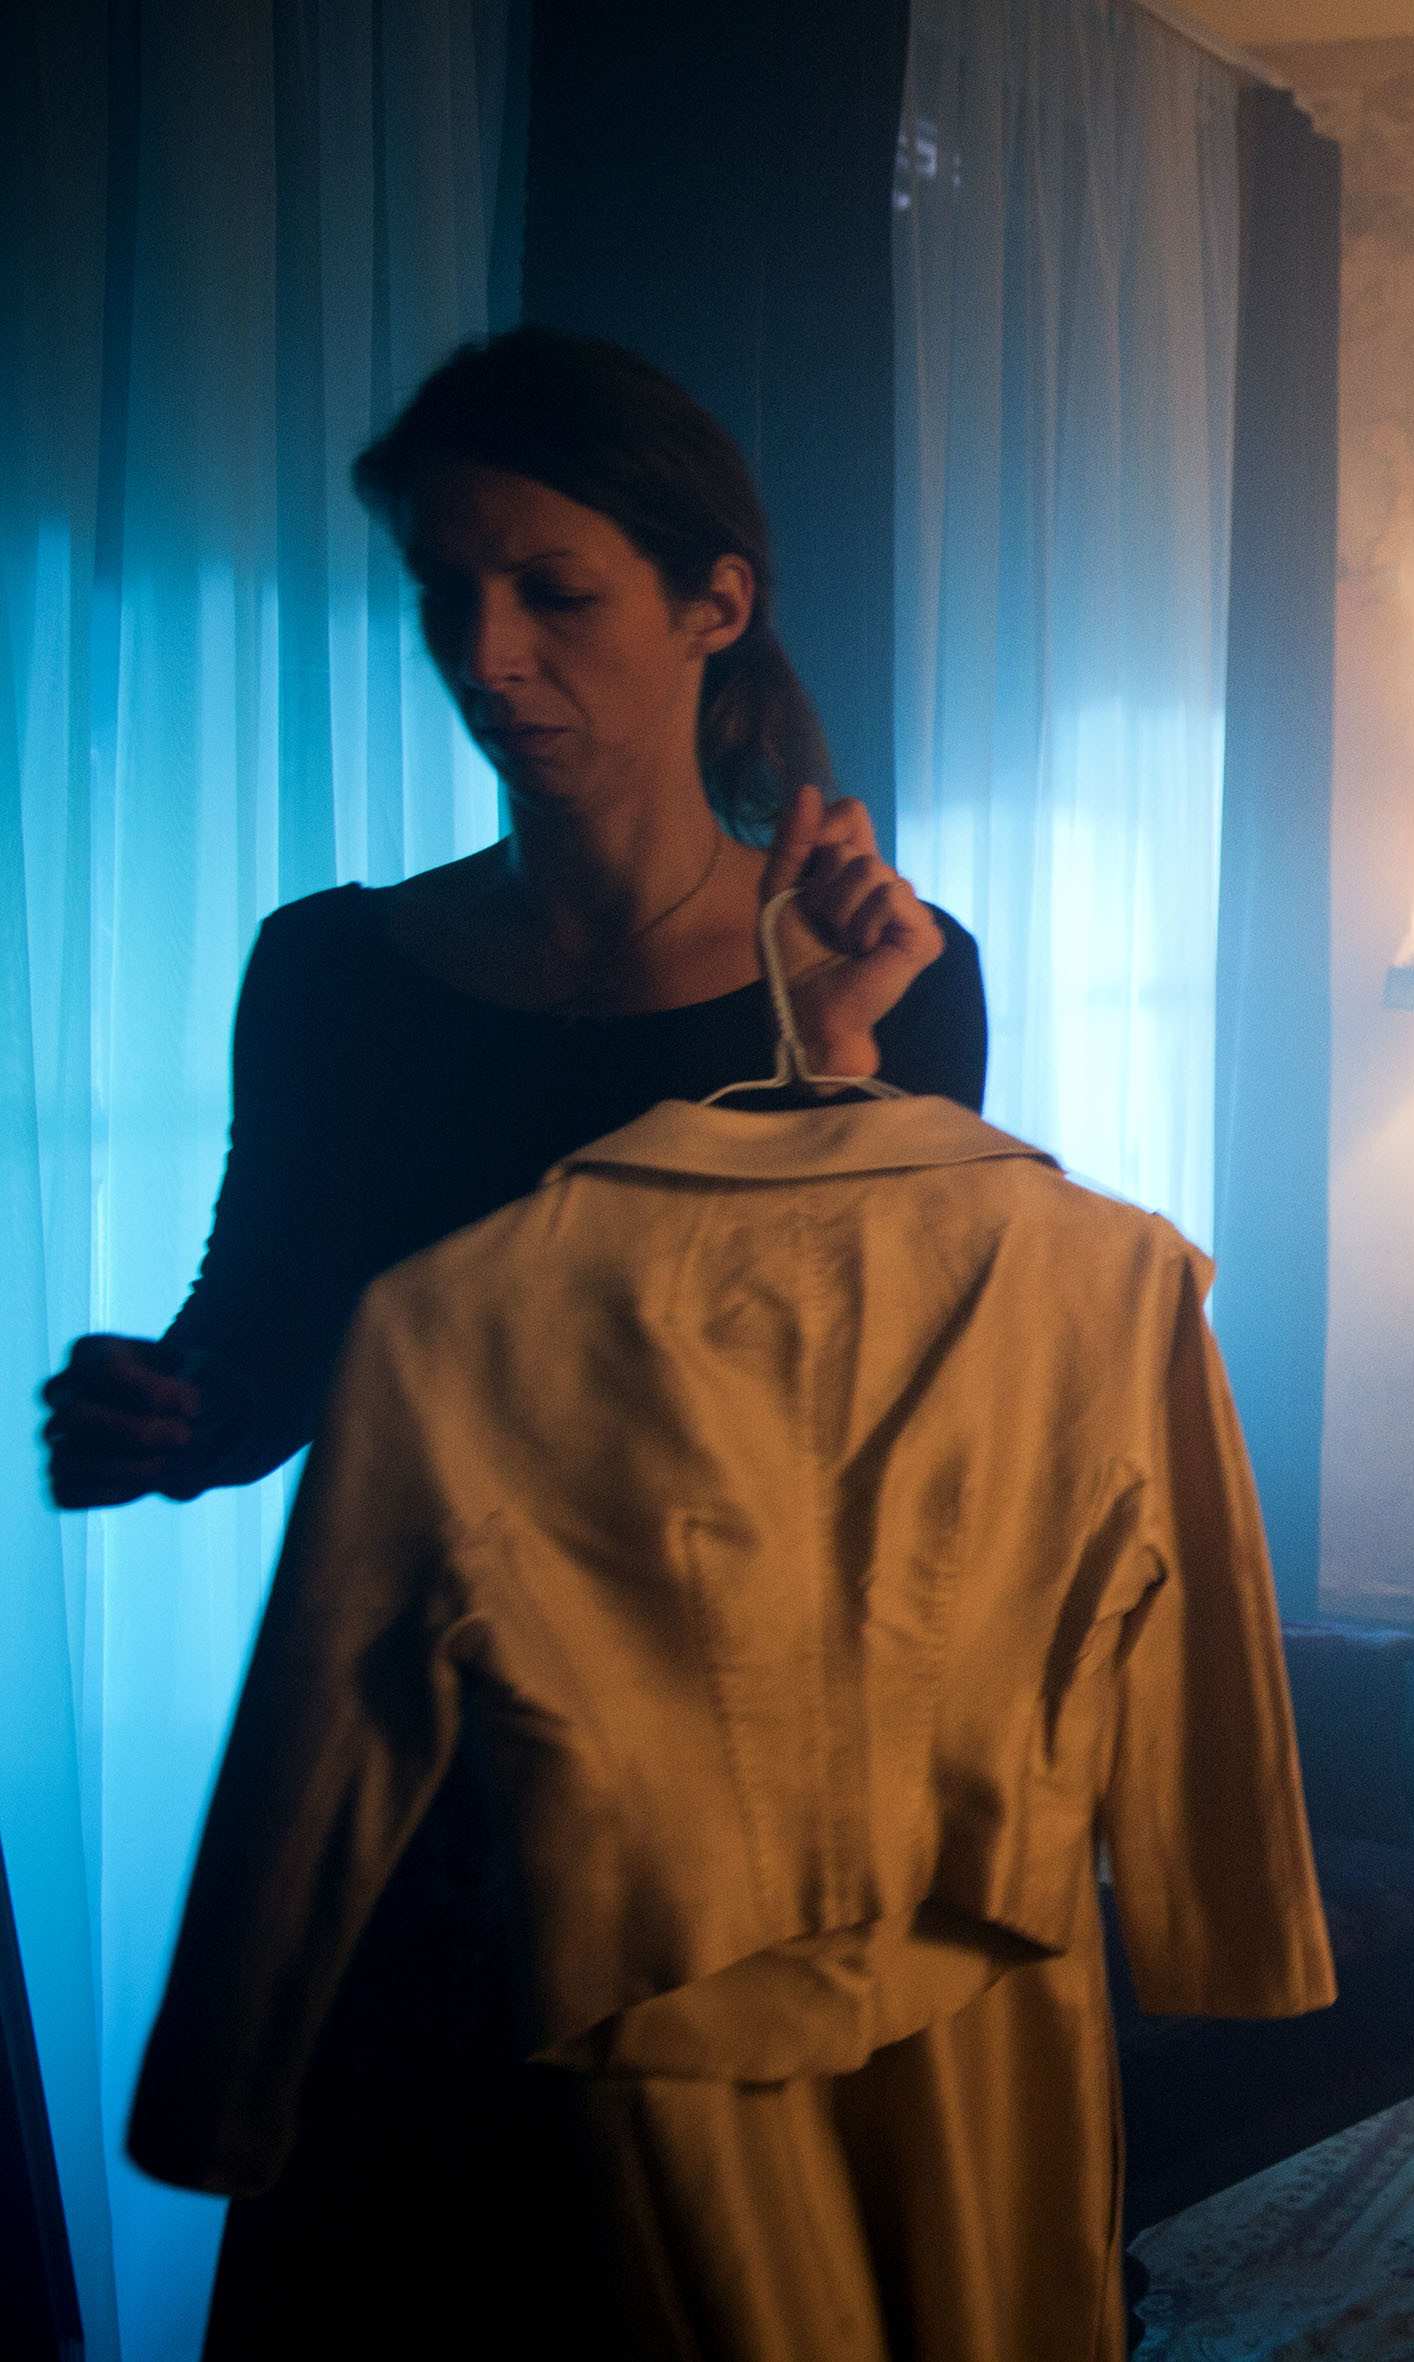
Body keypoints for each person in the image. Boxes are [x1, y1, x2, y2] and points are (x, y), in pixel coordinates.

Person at [37, 323, 981, 2356]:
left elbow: (890, 1420)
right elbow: (275, 1333)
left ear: (713, 601)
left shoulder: (881, 972)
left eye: (552, 591)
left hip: (730, 1779)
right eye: (444, 590)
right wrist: (169, 1411)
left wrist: (830, 1061)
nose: (485, 653)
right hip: (408, 1770)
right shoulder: (333, 965)